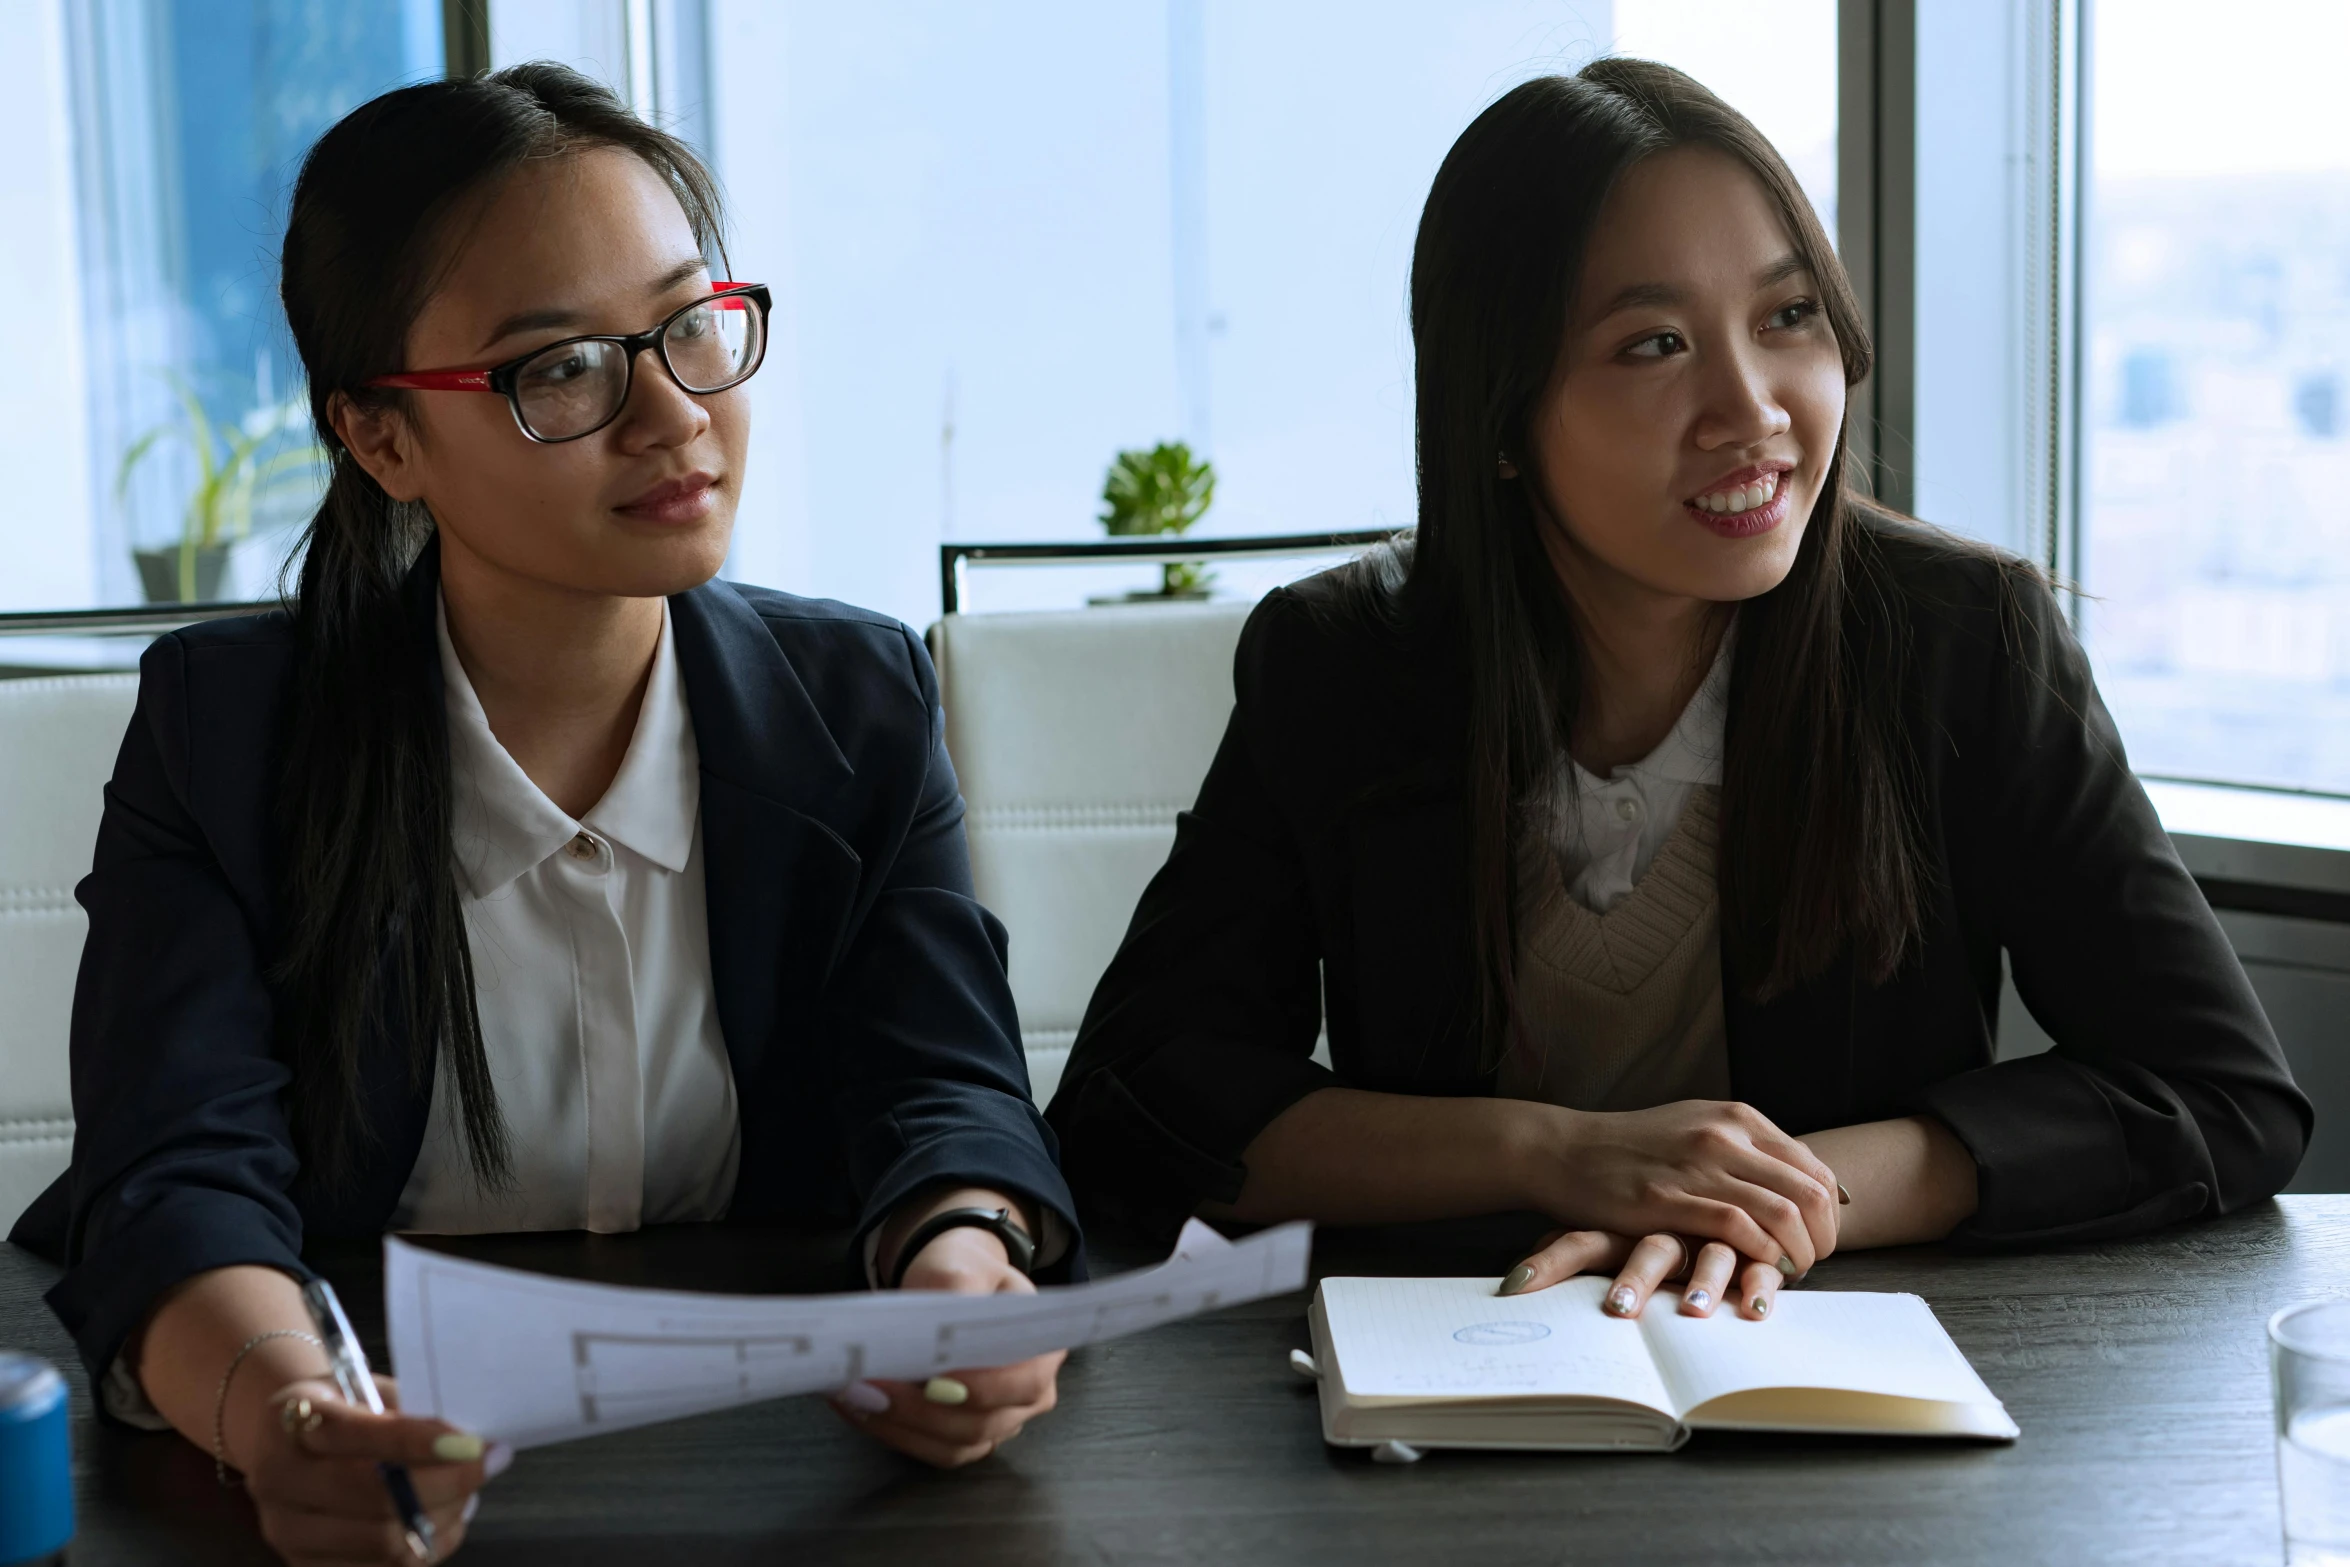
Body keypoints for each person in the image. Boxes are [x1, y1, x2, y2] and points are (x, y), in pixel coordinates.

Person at [1047, 60, 2310, 1326]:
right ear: (1498, 412)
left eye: (1788, 317)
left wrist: (1779, 1195)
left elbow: (2219, 1092)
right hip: (1465, 1364)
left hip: (1815, 1358)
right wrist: (1554, 1153)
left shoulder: (1955, 640)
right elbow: (1138, 1094)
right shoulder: (1340, 663)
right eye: (1654, 344)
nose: (1751, 411)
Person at [10, 65, 1073, 1565]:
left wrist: (959, 1275)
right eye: (562, 366)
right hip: (388, 1467)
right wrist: (284, 1417)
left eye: (690, 324)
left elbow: (945, 1091)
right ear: (382, 440)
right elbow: (176, 1175)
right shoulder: (228, 729)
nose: (670, 411)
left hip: (775, 1487)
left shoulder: (856, 698)